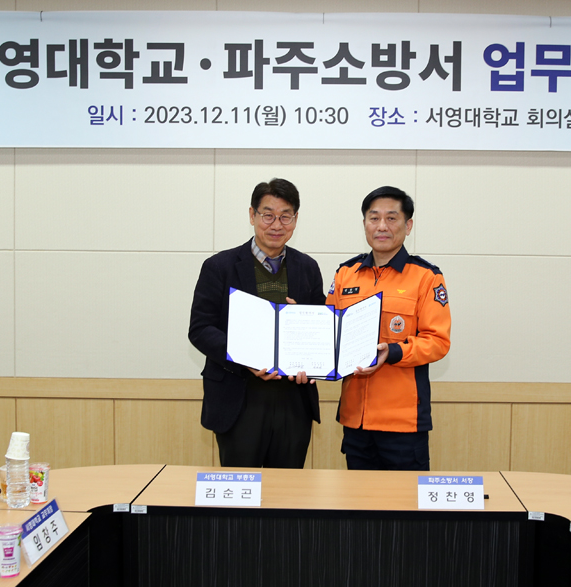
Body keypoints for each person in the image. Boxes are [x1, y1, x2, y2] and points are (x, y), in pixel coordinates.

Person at [188, 178, 324, 468]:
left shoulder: (308, 268)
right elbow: (200, 329)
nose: (276, 225)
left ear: (295, 219)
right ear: (252, 215)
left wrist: (305, 331)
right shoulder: (219, 267)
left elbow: (321, 330)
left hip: (293, 401)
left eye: (285, 216)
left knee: (288, 489)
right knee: (241, 488)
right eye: (268, 215)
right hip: (239, 398)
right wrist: (244, 357)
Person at [326, 186, 451, 470]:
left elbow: (438, 342)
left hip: (402, 424)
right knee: (357, 498)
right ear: (364, 224)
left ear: (408, 225)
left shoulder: (426, 277)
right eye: (374, 218)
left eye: (391, 218)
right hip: (355, 420)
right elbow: (330, 333)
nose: (382, 226)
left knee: (404, 499)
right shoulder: (345, 274)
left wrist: (393, 352)